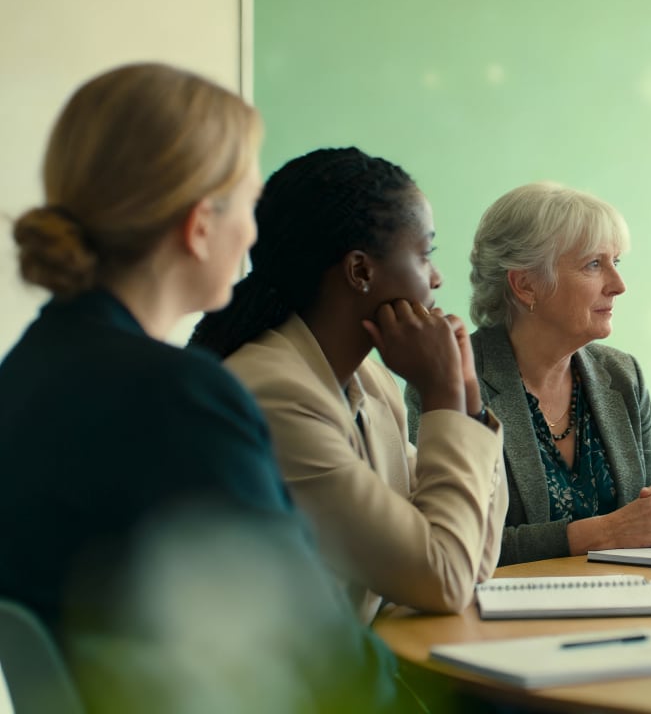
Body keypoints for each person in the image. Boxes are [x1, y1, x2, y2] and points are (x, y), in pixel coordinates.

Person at [0, 64, 421, 711]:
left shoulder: (24, 371)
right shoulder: (177, 398)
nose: (254, 236)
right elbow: (322, 658)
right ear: (199, 226)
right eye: (248, 206)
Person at [188, 147, 507, 622]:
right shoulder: (274, 395)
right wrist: (440, 398)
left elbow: (471, 564)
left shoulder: (371, 382)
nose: (437, 278)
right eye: (425, 255)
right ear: (360, 271)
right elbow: (444, 577)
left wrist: (469, 403)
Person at [406, 182, 651, 565]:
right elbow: (447, 547)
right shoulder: (451, 379)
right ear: (526, 284)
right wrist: (604, 532)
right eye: (594, 264)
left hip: (623, 604)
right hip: (500, 620)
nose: (618, 285)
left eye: (616, 262)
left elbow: (644, 525)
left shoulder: (623, 374)